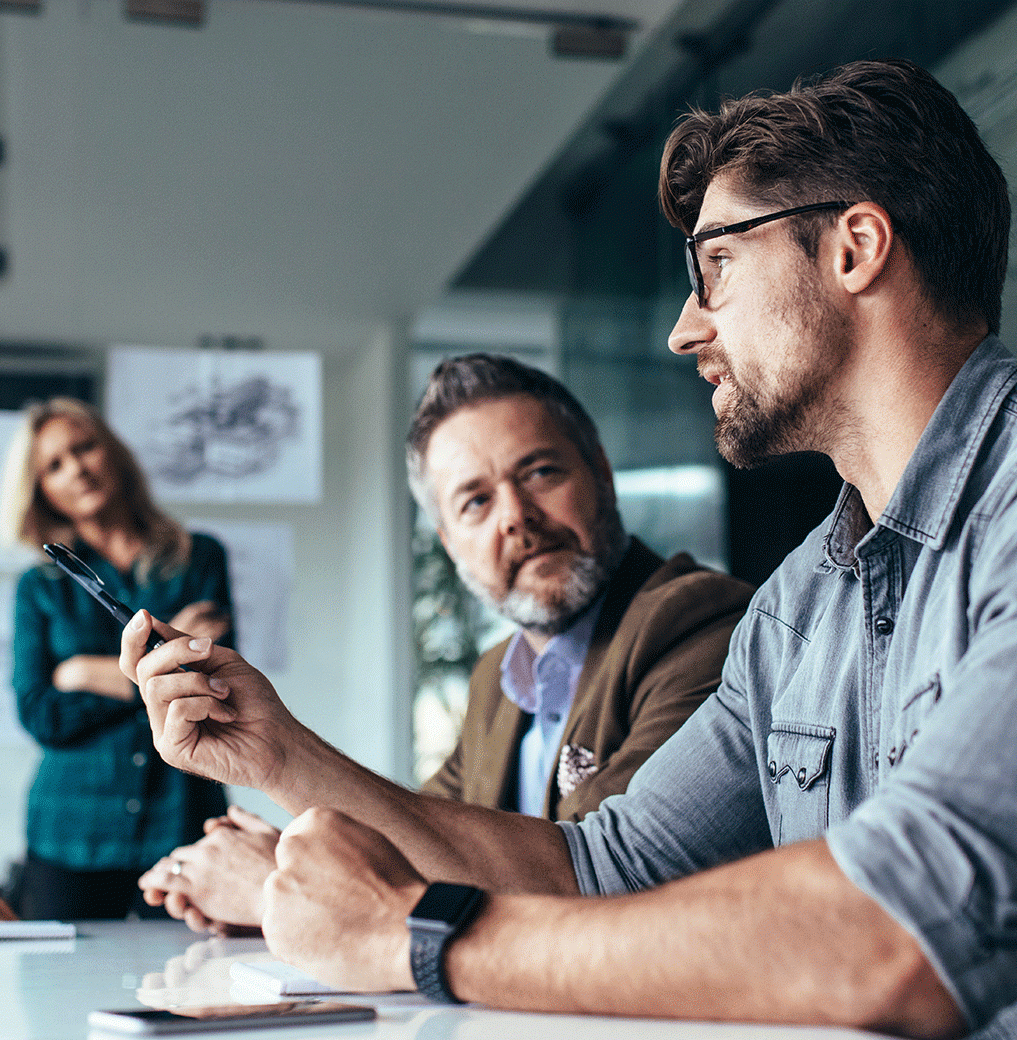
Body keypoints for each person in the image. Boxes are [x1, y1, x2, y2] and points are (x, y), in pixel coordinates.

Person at [117, 57, 1017, 1038]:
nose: (683, 329)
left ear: (853, 248)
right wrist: (278, 748)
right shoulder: (800, 606)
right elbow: (600, 867)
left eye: (714, 264)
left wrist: (417, 937)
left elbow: (902, 928)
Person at [137, 354, 753, 932]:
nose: (515, 516)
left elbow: (592, 883)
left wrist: (278, 883)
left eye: (539, 473)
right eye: (476, 501)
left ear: (599, 471)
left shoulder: (700, 623)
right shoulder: (498, 677)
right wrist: (295, 857)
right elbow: (423, 840)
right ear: (448, 540)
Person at [0, 398, 236, 920]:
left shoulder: (199, 559)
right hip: (71, 832)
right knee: (56, 995)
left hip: (180, 820)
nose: (77, 468)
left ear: (114, 453)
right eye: (54, 465)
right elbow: (41, 713)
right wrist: (155, 673)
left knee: (189, 983)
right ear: (41, 491)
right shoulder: (39, 588)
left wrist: (82, 673)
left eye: (85, 448)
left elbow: (212, 687)